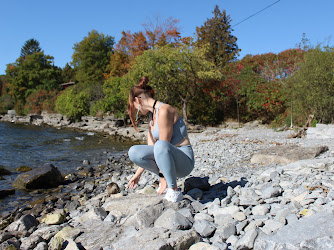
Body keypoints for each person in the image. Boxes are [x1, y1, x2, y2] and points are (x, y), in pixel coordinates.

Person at [126, 76, 195, 202]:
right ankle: (168, 181)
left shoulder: (164, 110)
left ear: (138, 100)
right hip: (167, 160)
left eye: (134, 106)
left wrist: (162, 177)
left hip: (184, 161)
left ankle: (174, 190)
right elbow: (151, 149)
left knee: (160, 145)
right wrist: (137, 175)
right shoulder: (152, 117)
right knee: (134, 152)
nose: (136, 110)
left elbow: (163, 145)